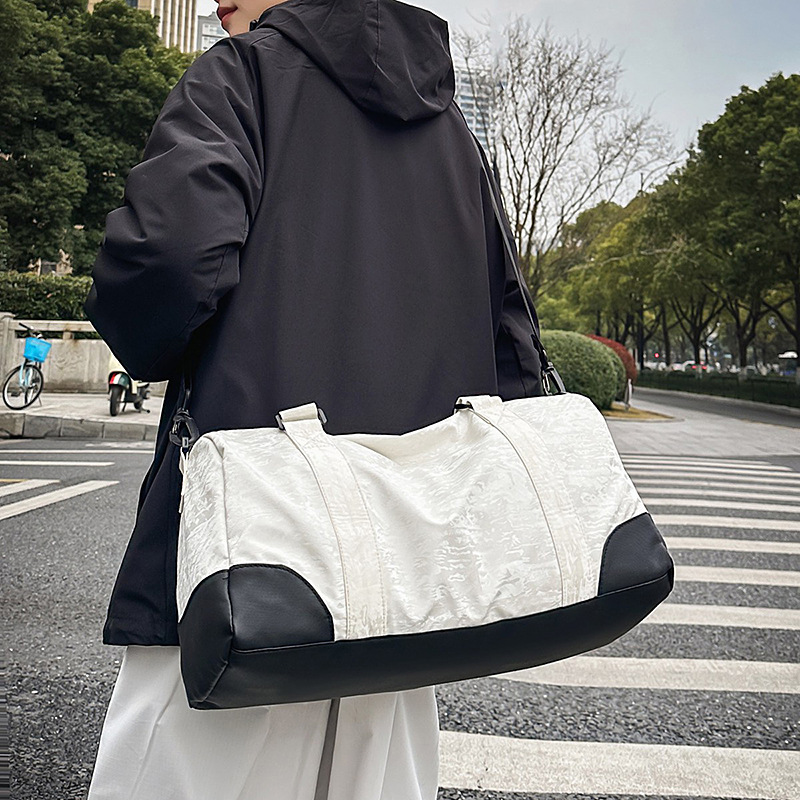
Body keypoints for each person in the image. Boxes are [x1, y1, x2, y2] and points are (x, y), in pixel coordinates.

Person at [84, 0, 544, 797]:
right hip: (405, 558)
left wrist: (148, 339)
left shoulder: (241, 76)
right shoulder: (452, 132)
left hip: (250, 535)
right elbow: (511, 331)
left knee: (187, 761)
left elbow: (169, 259)